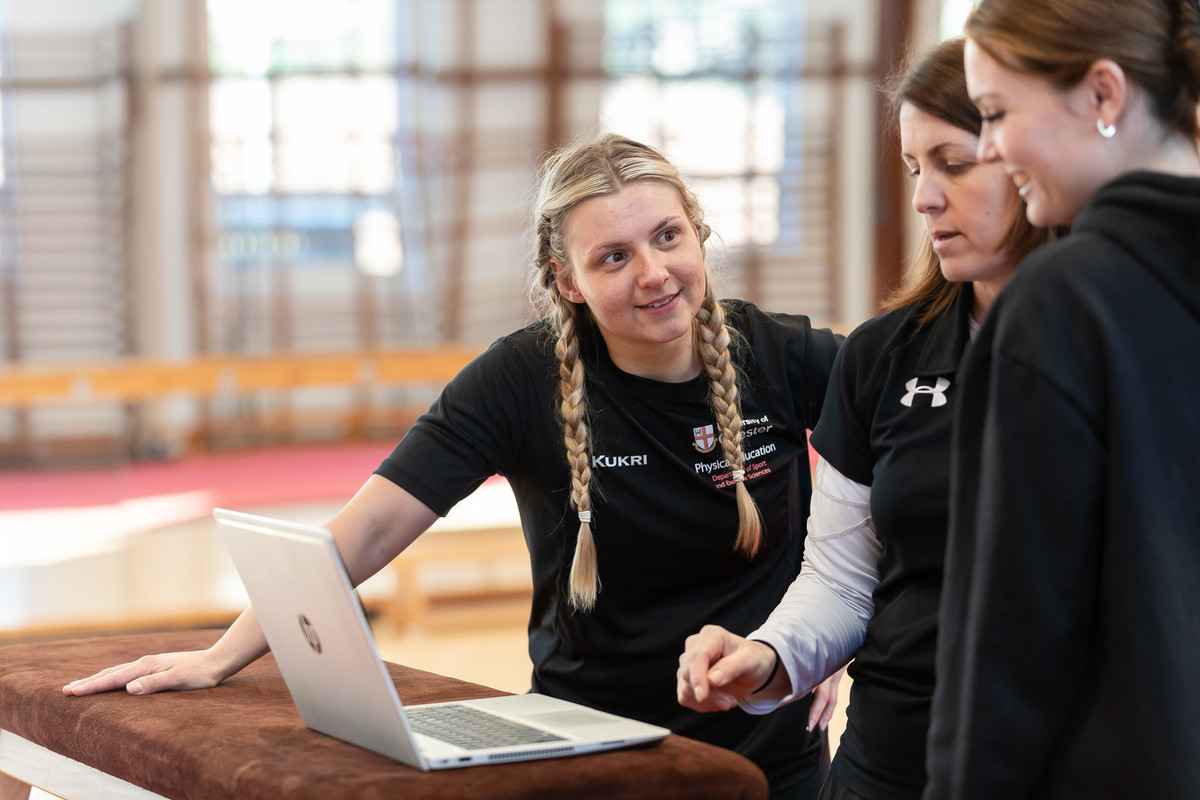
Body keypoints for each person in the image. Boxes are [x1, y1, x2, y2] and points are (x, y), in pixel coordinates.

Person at [63, 133, 844, 799]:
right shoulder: (520, 380)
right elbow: (365, 532)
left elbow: (910, 496)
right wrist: (219, 655)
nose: (652, 273)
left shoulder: (786, 358)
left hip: (767, 757)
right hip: (590, 749)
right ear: (569, 281)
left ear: (699, 234)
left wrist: (823, 641)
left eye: (667, 237)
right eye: (613, 257)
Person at [675, 37, 1050, 800]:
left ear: (1031, 156)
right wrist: (771, 655)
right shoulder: (885, 353)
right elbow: (845, 583)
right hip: (892, 760)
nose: (923, 198)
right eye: (916, 169)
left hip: (1060, 759)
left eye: (954, 162)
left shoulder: (1128, 339)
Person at [923, 2, 1200, 798]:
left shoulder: (1063, 303)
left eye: (998, 112)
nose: (988, 148)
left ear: (1104, 95)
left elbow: (1010, 642)